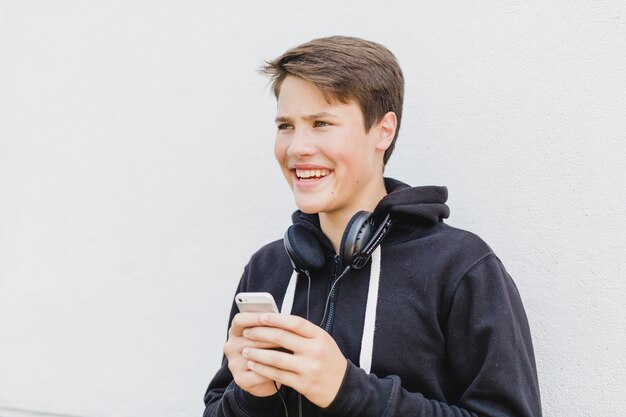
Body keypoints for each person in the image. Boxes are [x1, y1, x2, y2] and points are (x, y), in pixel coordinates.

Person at [203, 35, 542, 417]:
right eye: (285, 126)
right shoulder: (267, 268)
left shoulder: (461, 267)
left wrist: (349, 391)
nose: (297, 147)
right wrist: (251, 397)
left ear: (384, 130)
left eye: (321, 123)